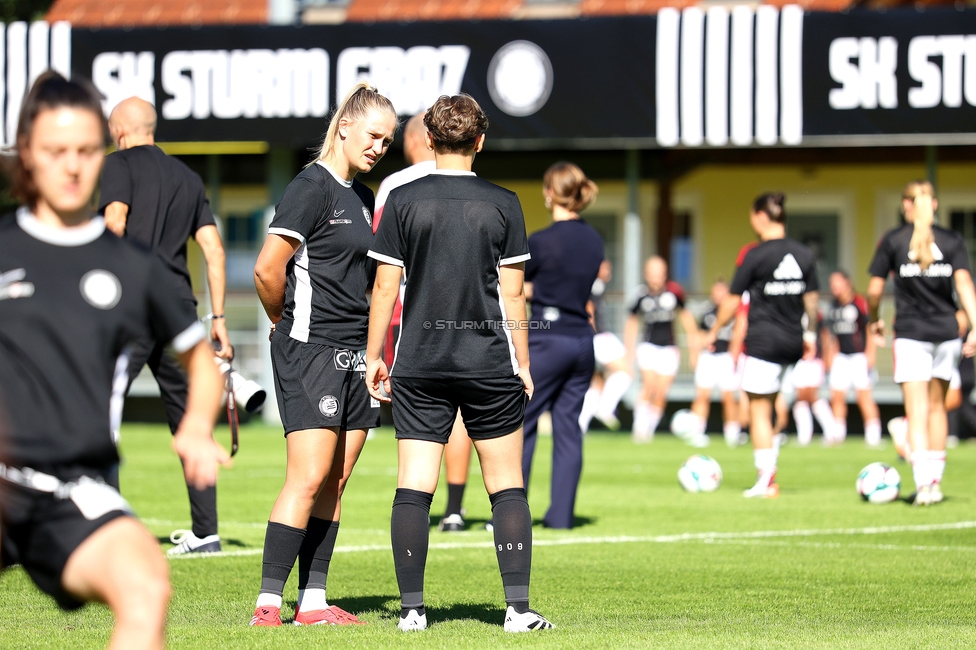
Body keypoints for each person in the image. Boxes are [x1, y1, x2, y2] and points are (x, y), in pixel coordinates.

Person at [0, 72, 228, 650]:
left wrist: (199, 427)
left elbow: (200, 362)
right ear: (28, 154)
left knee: (146, 584)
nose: (73, 166)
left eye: (84, 151)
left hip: (69, 491)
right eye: (56, 151)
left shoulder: (133, 267)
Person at [365, 94, 553, 633]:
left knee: (413, 487)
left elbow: (384, 288)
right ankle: (517, 609)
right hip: (488, 362)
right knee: (506, 486)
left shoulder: (402, 199)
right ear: (480, 141)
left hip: (418, 363)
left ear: (427, 138)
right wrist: (522, 359)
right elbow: (514, 297)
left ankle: (412, 612)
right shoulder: (504, 203)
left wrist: (375, 356)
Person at [250, 83, 396, 626]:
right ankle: (268, 603)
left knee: (335, 480)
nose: (380, 147)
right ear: (344, 127)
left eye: (388, 140)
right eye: (373, 135)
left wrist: (375, 350)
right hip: (309, 349)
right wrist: (281, 323)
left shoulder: (362, 196)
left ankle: (312, 601)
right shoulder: (310, 187)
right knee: (307, 476)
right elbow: (268, 269)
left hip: (356, 355)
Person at [99, 97, 232, 555]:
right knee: (191, 420)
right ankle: (207, 531)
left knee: (100, 407)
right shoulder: (188, 178)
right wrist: (217, 319)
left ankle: (101, 521)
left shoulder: (116, 165)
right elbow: (213, 250)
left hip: (131, 305)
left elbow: (113, 222)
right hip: (177, 311)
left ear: (118, 129)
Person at [374, 113, 473, 533]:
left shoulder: (396, 187)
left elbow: (380, 266)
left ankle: (416, 507)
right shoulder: (472, 181)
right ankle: (454, 509)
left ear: (417, 140)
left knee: (418, 415)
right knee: (462, 413)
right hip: (469, 320)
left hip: (408, 317)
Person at [867, 181, 976, 506]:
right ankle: (936, 483)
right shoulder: (952, 240)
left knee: (915, 413)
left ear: (906, 206)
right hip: (946, 335)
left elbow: (873, 291)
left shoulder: (893, 240)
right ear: (935, 205)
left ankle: (923, 485)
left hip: (912, 335)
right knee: (937, 409)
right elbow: (965, 286)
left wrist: (874, 319)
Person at [706, 192, 819, 498]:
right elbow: (811, 301)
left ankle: (766, 479)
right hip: (794, 343)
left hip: (763, 342)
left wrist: (715, 329)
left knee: (758, 409)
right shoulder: (804, 253)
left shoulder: (753, 255)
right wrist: (810, 336)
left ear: (760, 217)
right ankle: (769, 469)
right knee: (775, 403)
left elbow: (731, 301)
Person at [521, 162, 603, 529]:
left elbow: (515, 287)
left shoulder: (541, 240)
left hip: (547, 339)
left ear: (549, 193)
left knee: (520, 423)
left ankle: (512, 515)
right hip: (583, 340)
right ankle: (561, 516)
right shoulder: (594, 239)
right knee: (569, 428)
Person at [624, 256, 698, 443]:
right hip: (648, 346)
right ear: (646, 274)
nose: (655, 277)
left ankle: (650, 429)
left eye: (659, 273)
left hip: (669, 348)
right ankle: (639, 430)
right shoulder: (641, 295)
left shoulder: (674, 292)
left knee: (661, 392)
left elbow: (686, 319)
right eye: (652, 273)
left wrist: (694, 348)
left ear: (665, 274)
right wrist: (630, 351)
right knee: (649, 386)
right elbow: (632, 323)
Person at [823, 270, 882, 446]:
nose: (834, 287)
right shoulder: (833, 306)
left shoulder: (860, 303)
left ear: (847, 283)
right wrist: (830, 356)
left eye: (837, 282)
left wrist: (871, 353)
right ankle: (837, 435)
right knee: (837, 396)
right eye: (832, 283)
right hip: (841, 357)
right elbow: (829, 334)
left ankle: (874, 436)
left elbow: (870, 328)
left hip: (859, 356)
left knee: (863, 396)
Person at [579, 260, 633, 432]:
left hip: (594, 337)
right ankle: (605, 409)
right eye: (606, 266)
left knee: (596, 382)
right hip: (597, 337)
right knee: (625, 372)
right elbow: (588, 309)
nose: (609, 270)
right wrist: (591, 334)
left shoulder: (596, 285)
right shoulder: (593, 284)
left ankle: (580, 425)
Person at [689, 279, 741, 447]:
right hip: (708, 357)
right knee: (702, 395)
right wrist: (695, 353)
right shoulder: (706, 311)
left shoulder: (736, 312)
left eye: (722, 292)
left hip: (726, 357)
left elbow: (739, 334)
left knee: (729, 397)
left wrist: (735, 354)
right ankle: (696, 432)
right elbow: (699, 334)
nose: (718, 296)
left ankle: (732, 434)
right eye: (716, 292)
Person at [787, 314, 838, 446]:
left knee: (812, 396)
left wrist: (827, 356)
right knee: (801, 397)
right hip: (798, 358)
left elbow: (825, 335)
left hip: (814, 358)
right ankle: (804, 435)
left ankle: (831, 432)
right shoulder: (793, 311)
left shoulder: (816, 314)